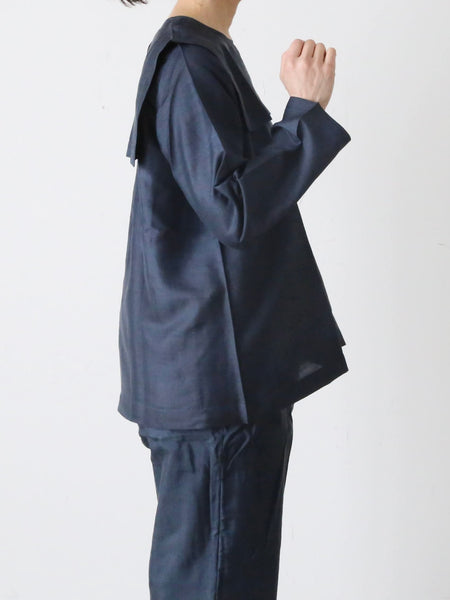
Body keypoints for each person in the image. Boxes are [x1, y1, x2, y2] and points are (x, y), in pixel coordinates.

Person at [117, 1, 351, 598]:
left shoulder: (203, 50)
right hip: (216, 387)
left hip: (229, 379)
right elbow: (233, 208)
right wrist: (304, 114)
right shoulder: (188, 59)